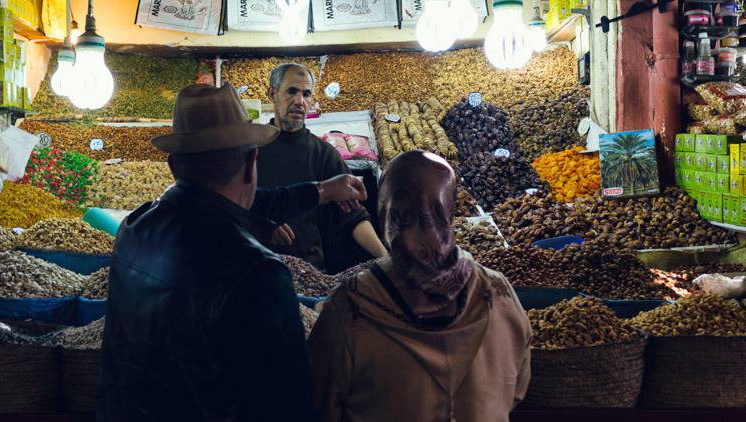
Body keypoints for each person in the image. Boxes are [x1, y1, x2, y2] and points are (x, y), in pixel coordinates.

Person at [99, 82, 369, 422]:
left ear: (173, 165)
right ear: (251, 161)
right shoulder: (257, 272)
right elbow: (286, 406)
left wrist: (320, 191)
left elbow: (243, 201)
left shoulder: (134, 229)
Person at [307, 150, 532, 422]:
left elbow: (319, 404)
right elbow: (518, 389)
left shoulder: (351, 308)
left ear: (386, 217)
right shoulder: (499, 293)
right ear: (450, 213)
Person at [257, 63, 387, 273]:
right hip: (255, 269)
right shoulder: (252, 148)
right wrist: (260, 224)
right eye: (292, 91)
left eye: (306, 94)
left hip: (308, 271)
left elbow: (353, 215)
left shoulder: (323, 154)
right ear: (272, 93)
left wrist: (385, 258)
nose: (299, 101)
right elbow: (227, 206)